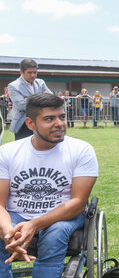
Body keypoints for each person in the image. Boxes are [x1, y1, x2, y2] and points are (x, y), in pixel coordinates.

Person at [0, 93, 98, 278]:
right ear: (30, 124)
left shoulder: (81, 150)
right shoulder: (7, 152)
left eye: (62, 117)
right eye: (49, 119)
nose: (59, 123)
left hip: (64, 215)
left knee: (55, 234)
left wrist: (33, 225)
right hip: (16, 214)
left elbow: (78, 203)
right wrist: (8, 232)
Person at [8, 58, 51, 140]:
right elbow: (22, 106)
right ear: (21, 72)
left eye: (35, 72)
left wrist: (29, 99)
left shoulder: (41, 82)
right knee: (23, 151)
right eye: (29, 73)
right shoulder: (13, 86)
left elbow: (50, 100)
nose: (33, 75)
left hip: (41, 122)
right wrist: (42, 97)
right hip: (23, 125)